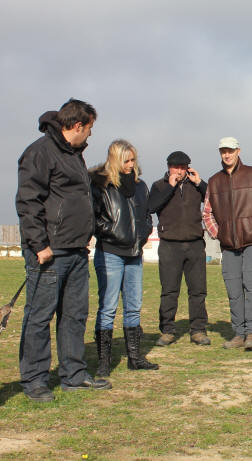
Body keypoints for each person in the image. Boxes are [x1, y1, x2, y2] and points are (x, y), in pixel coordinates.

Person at [16, 99, 111, 401]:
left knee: (74, 315)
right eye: (90, 129)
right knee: (40, 316)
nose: (90, 136)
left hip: (76, 251)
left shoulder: (74, 155)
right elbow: (28, 201)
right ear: (78, 126)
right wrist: (39, 244)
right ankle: (34, 379)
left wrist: (85, 234)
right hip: (50, 253)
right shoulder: (40, 152)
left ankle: (73, 374)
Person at [202, 137, 252, 351]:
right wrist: (219, 233)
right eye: (223, 151)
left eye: (230, 151)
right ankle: (239, 333)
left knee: (250, 285)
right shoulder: (214, 181)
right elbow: (207, 213)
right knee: (233, 288)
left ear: (238, 151)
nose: (227, 155)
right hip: (228, 245)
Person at [90, 139, 157, 376]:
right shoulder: (100, 185)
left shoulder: (141, 186)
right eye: (126, 160)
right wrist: (113, 233)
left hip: (134, 254)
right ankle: (104, 362)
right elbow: (94, 219)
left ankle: (135, 357)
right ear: (115, 160)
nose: (131, 165)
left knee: (133, 307)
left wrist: (142, 235)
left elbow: (147, 216)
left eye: (133, 160)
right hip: (110, 253)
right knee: (108, 307)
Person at [148, 151, 210, 347]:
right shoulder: (159, 186)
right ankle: (167, 330)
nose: (180, 171)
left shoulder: (195, 185)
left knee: (198, 290)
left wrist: (200, 183)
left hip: (194, 244)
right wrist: (171, 187)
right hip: (169, 245)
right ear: (168, 167)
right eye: (176, 167)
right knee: (169, 291)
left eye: (183, 167)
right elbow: (151, 207)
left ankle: (198, 330)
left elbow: (213, 199)